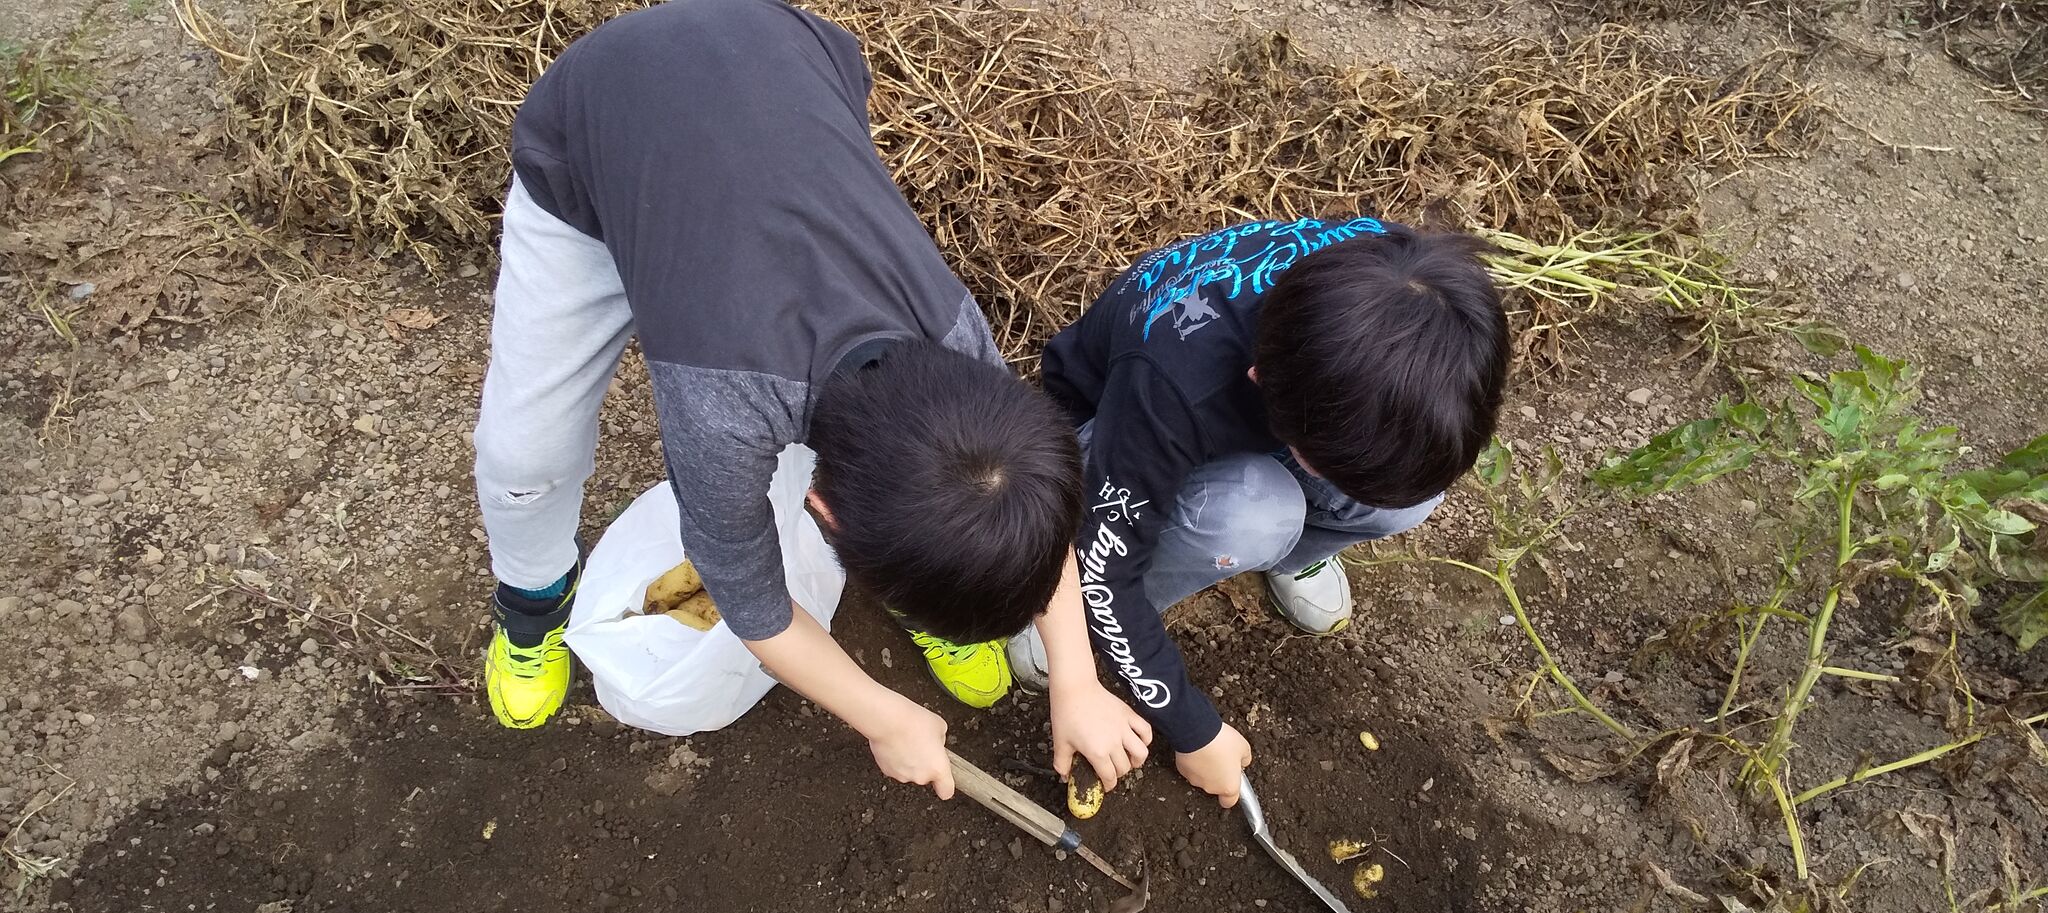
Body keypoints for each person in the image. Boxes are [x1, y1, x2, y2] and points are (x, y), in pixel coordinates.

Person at [472, 0, 1152, 799]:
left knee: (910, 476)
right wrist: (880, 716)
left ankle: (921, 574)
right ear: (823, 513)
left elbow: (1032, 503)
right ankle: (533, 603)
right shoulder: (722, 408)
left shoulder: (961, 350)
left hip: (790, 62)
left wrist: (1076, 677)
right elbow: (745, 590)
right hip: (600, 131)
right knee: (528, 452)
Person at [1011, 217, 1510, 806]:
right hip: (1111, 434)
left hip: (1270, 411)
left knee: (1409, 500)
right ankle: (1071, 617)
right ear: (1261, 379)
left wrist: (1348, 468)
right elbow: (1106, 567)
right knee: (1254, 512)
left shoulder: (1403, 288)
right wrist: (1194, 730)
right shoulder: (1171, 382)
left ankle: (1287, 555)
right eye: (1324, 461)